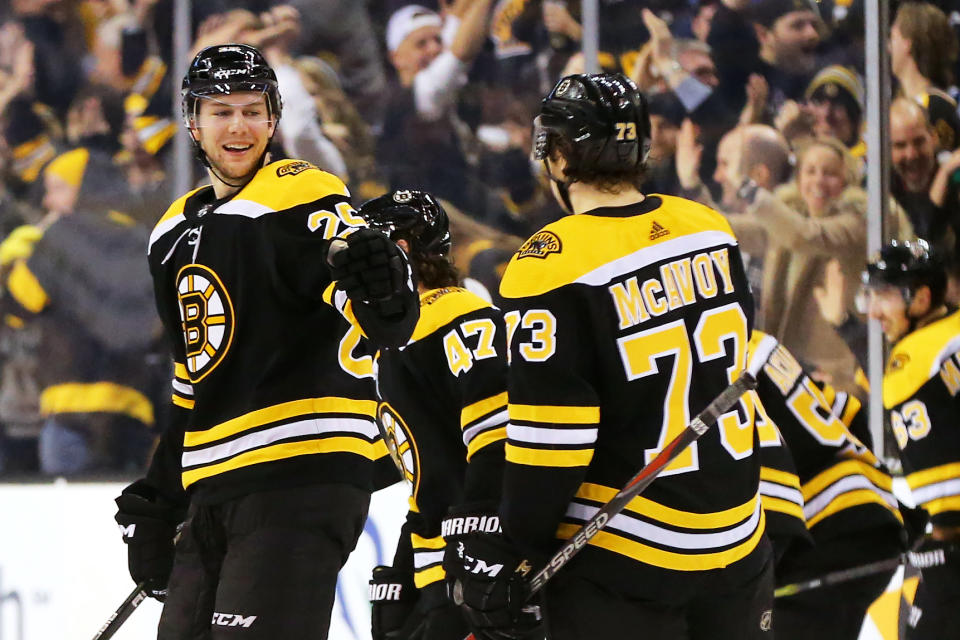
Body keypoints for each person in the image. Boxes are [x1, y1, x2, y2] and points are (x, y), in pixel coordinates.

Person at [446, 72, 772, 640]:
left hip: (627, 556)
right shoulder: (707, 227)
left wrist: (516, 550)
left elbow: (554, 438)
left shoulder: (550, 262)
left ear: (561, 155)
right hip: (739, 540)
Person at [112, 44, 419, 640]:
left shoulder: (299, 191)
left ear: (274, 120)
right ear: (192, 122)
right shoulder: (171, 234)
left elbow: (371, 297)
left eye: (253, 110)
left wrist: (382, 290)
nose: (238, 126)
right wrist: (162, 496)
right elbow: (191, 382)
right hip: (216, 487)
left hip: (298, 476)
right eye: (220, 111)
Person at [359, 189, 508, 640]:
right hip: (438, 573)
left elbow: (498, 443)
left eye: (364, 252)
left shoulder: (460, 316)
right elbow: (431, 473)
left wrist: (479, 554)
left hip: (476, 570)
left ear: (400, 251)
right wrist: (407, 570)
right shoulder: (393, 342)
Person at [860, 239, 960, 639]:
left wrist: (941, 542)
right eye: (869, 295)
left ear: (920, 298)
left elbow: (950, 503)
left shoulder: (911, 363)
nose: (872, 311)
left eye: (884, 296)